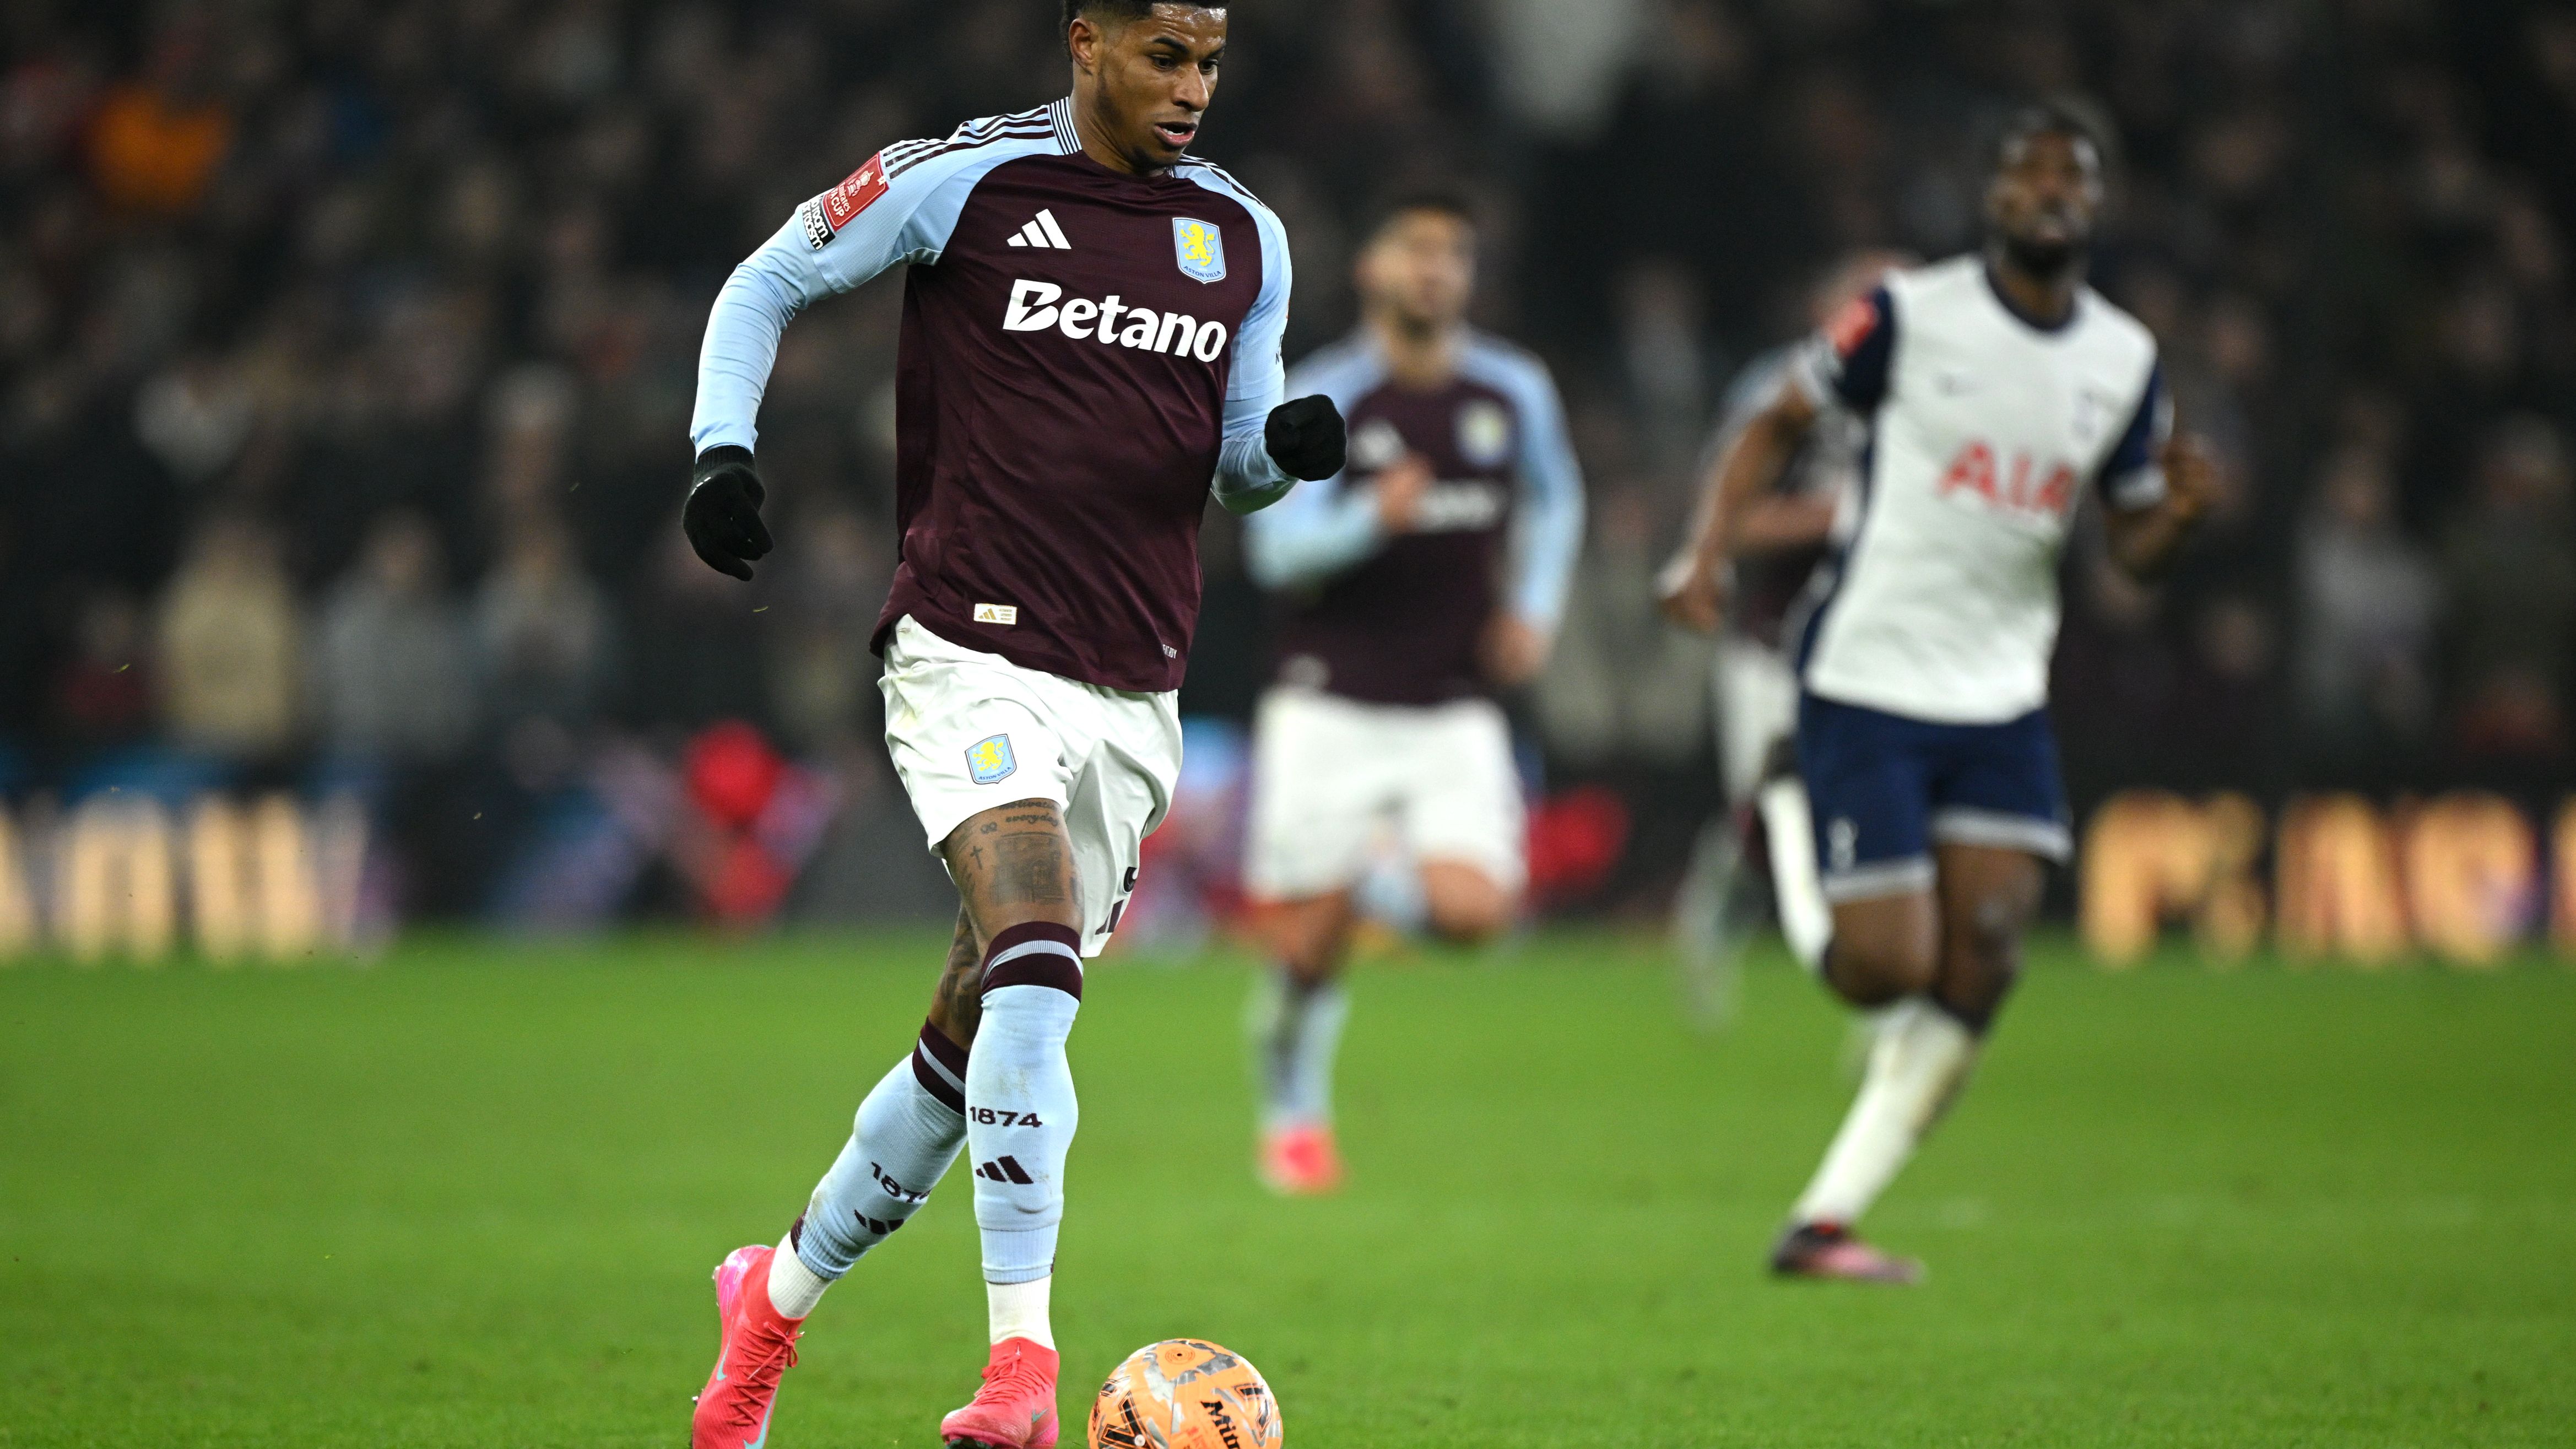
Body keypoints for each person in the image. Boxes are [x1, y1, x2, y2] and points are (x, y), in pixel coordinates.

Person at [675, 5, 1347, 1446]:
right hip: (967, 648)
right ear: (1086, 39)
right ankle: (1019, 1372)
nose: (1191, 89)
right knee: (1033, 942)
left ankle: (770, 1304)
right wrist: (719, 451)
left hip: (1132, 690)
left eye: (1212, 62)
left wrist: (1280, 458)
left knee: (973, 1027)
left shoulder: (1243, 235)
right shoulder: (965, 180)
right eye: (1166, 55)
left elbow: (1233, 465)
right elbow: (763, 282)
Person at [1660, 104, 2215, 1283]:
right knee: (1885, 967)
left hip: (2001, 692)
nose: (2052, 194)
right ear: (1994, 200)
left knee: (1991, 952)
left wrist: (2174, 518)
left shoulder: (2123, 360)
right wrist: (1705, 551)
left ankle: (1820, 1222)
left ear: (2098, 204)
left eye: (2076, 177)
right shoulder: (1909, 317)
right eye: (2029, 176)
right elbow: (1773, 419)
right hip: (1864, 672)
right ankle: (1790, 818)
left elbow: (2130, 550)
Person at [1238, 192, 1585, 1194]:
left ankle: (1367, 878)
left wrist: (1534, 605)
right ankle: (1292, 1109)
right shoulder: (1326, 395)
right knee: (1304, 951)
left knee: (1479, 915)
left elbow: (1559, 497)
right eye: (1415, 249)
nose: (1435, 269)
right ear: (1373, 270)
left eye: (1453, 253)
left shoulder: (1513, 388)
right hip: (1328, 697)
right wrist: (1366, 521)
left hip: (1452, 701)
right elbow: (1274, 548)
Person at [1671, 250, 1909, 1004]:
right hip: (1777, 640)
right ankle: (1718, 903)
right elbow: (1729, 522)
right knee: (1768, 818)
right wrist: (1833, 516)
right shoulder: (1782, 388)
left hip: (1892, 646)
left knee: (1883, 813)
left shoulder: (1936, 392)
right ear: (1826, 313)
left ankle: (1888, 988)